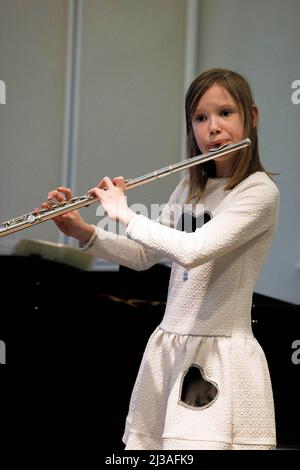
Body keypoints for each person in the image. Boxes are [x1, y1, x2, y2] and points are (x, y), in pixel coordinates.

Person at [42, 68, 279, 450]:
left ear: (252, 116)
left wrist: (124, 212)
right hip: (169, 347)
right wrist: (83, 231)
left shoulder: (258, 193)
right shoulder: (190, 185)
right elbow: (143, 255)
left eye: (225, 113)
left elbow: (193, 250)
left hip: (220, 354)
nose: (213, 128)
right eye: (200, 118)